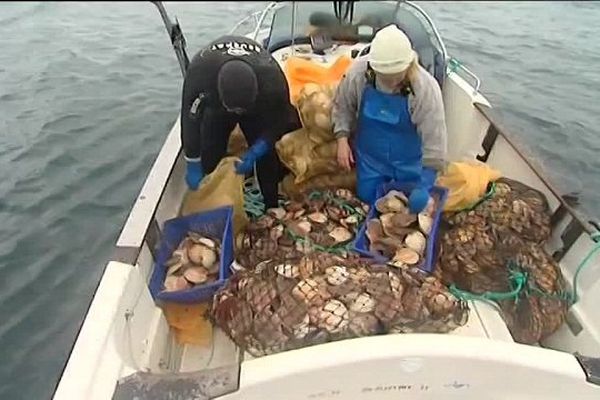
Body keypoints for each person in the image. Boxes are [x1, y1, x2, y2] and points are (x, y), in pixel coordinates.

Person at [332, 24, 448, 212]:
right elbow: (343, 105)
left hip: (410, 164)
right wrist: (342, 138)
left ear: (409, 66)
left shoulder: (425, 89)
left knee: (408, 209)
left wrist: (425, 184)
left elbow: (435, 140)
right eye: (385, 76)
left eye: (396, 76)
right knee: (368, 203)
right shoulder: (358, 73)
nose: (391, 81)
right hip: (370, 160)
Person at [180, 35, 301, 208]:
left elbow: (281, 119)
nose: (237, 114)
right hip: (218, 108)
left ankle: (271, 204)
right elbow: (189, 120)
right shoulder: (199, 74)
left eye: (240, 110)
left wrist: (259, 148)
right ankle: (214, 204)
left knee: (267, 158)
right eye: (234, 110)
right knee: (209, 154)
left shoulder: (272, 78)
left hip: (256, 108)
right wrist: (192, 161)